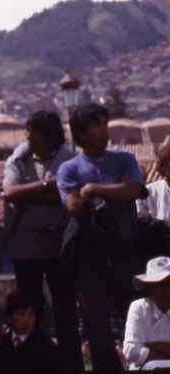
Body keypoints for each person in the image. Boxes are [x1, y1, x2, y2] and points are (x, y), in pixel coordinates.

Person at [57, 102, 147, 372]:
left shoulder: (124, 159)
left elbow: (135, 190)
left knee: (135, 315)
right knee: (96, 324)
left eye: (105, 124)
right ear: (81, 134)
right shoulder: (69, 169)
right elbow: (72, 206)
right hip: (90, 254)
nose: (103, 131)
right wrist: (113, 190)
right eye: (96, 125)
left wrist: (94, 189)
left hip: (124, 251)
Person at [1, 110, 83, 370]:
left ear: (48, 134)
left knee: (66, 314)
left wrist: (31, 192)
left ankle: (70, 366)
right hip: (26, 251)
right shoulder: (19, 159)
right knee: (28, 311)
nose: (28, 136)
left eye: (33, 131)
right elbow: (11, 192)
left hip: (59, 249)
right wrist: (48, 185)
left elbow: (68, 196)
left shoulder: (68, 160)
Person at [0, 291, 63, 372]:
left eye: (31, 315)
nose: (26, 319)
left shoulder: (43, 343)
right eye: (21, 314)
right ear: (9, 318)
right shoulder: (4, 342)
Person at [124, 256, 170, 370]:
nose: (165, 290)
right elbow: (131, 351)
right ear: (149, 287)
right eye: (158, 284)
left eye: (169, 283)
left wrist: (152, 346)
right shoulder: (138, 308)